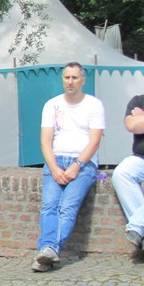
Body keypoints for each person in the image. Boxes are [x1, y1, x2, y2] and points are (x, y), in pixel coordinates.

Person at [32, 62, 105, 272]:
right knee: (49, 205)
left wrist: (77, 165)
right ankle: (49, 252)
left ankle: (48, 250)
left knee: (67, 207)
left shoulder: (94, 105)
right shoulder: (51, 105)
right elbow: (45, 141)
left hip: (83, 162)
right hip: (56, 159)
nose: (70, 82)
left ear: (82, 80)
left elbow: (94, 142)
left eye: (74, 78)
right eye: (67, 77)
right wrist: (54, 168)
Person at [111, 66, 144, 254]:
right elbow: (131, 125)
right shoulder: (138, 101)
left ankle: (137, 227)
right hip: (142, 159)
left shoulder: (142, 110)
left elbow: (139, 124)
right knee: (121, 173)